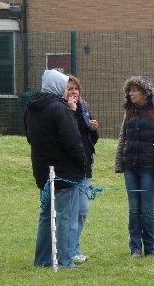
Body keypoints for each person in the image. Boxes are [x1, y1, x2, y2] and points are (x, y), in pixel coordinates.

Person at [25, 69, 87, 268]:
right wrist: (82, 163)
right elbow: (73, 141)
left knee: (46, 216)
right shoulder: (60, 109)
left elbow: (29, 138)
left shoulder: (31, 108)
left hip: (42, 171)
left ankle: (42, 260)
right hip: (65, 172)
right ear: (58, 86)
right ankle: (65, 261)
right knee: (66, 218)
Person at [114, 76, 154, 258]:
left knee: (147, 210)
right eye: (129, 90)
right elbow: (123, 137)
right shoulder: (129, 112)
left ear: (145, 93)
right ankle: (135, 249)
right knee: (133, 209)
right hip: (130, 167)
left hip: (149, 168)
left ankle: (151, 248)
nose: (130, 94)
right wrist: (119, 162)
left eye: (134, 90)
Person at [64, 75, 100, 262]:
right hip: (70, 169)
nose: (74, 91)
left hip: (85, 168)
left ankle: (74, 247)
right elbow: (69, 135)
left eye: (76, 88)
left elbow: (89, 139)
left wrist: (93, 130)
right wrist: (71, 111)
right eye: (70, 88)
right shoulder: (62, 109)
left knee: (83, 210)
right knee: (70, 212)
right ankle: (70, 251)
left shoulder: (83, 108)